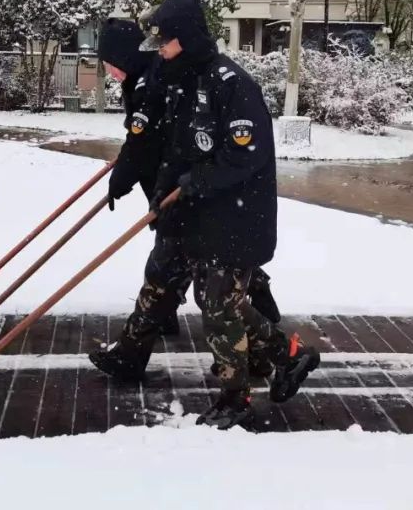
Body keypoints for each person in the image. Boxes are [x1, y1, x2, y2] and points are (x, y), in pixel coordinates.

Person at [90, 0, 320, 430]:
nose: (160, 51)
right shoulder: (185, 81)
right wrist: (162, 192)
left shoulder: (231, 84)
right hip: (203, 213)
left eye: (166, 42)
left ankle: (236, 398)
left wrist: (194, 182)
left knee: (217, 303)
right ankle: (288, 356)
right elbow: (173, 150)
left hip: (238, 216)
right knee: (217, 301)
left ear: (187, 37)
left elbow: (244, 155)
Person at [94, 17, 283, 349]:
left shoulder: (153, 81)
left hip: (183, 186)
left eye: (110, 63)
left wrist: (124, 176)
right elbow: (141, 138)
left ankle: (271, 343)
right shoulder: (147, 75)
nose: (109, 72)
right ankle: (160, 325)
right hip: (175, 181)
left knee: (190, 268)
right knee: (190, 266)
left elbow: (143, 141)